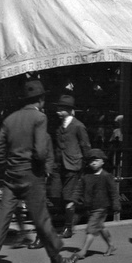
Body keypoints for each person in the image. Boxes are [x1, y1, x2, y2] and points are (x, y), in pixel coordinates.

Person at [0, 79, 77, 263]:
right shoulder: (39, 118)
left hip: (11, 176)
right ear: (41, 100)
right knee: (41, 218)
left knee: (2, 219)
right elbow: (41, 151)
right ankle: (57, 258)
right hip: (31, 175)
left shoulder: (10, 119)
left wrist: (7, 163)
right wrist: (40, 167)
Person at [48, 94, 91, 240]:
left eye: (61, 109)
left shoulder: (78, 126)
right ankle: (70, 217)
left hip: (73, 165)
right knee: (54, 194)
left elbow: (85, 145)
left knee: (68, 197)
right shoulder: (59, 126)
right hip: (58, 165)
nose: (57, 111)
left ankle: (68, 227)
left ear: (68, 109)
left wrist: (87, 164)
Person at [71, 149, 119, 259]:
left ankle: (83, 251)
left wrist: (116, 205)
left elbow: (113, 192)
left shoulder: (106, 176)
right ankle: (111, 245)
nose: (93, 163)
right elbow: (79, 189)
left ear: (102, 162)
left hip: (102, 207)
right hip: (90, 206)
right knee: (100, 227)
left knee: (91, 228)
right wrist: (73, 200)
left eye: (96, 161)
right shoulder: (86, 176)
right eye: (91, 161)